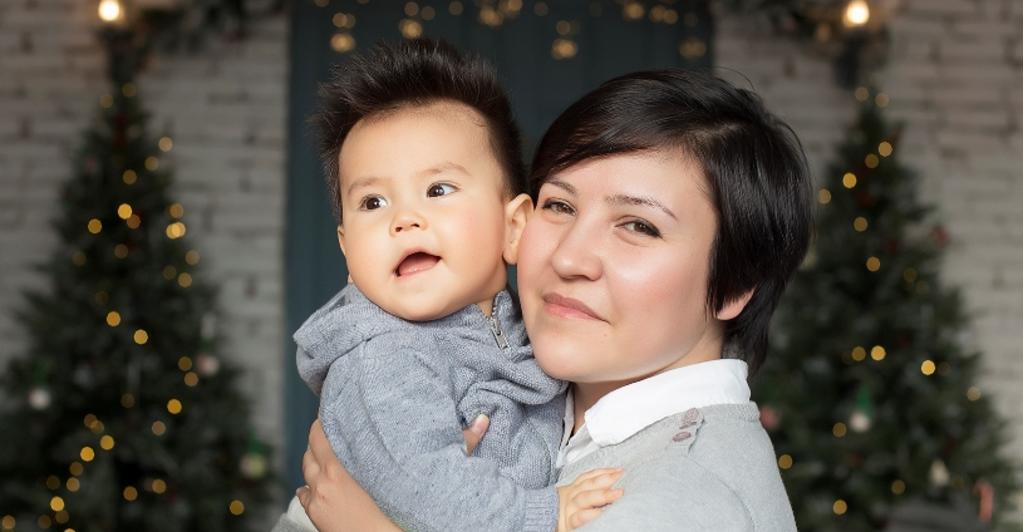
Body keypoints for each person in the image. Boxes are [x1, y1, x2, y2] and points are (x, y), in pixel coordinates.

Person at [297, 67, 813, 531]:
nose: (569, 258)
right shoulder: (507, 386)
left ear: (734, 284)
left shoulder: (679, 499)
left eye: (639, 225)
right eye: (560, 206)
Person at [272, 39, 623, 532]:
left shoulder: (535, 329)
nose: (404, 219)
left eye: (438, 190)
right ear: (348, 250)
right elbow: (426, 489)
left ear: (514, 227)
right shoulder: (383, 357)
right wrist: (548, 512)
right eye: (373, 202)